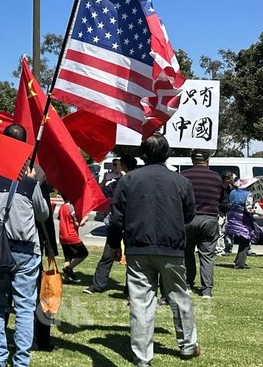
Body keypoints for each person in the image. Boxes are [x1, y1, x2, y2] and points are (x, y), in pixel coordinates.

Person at [107, 134, 199, 366]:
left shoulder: (127, 181)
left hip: (138, 248)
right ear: (167, 153)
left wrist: (114, 245)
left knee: (141, 302)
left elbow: (116, 218)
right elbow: (189, 216)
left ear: (142, 155)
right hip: (172, 247)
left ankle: (142, 357)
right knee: (180, 297)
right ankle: (188, 346)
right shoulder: (181, 182)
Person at [0, 123, 50, 367]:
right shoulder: (29, 181)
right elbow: (43, 215)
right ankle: (21, 361)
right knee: (24, 308)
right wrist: (32, 186)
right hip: (25, 252)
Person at [83, 154, 137, 295]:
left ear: (124, 166)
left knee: (130, 258)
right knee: (108, 255)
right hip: (120, 223)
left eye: (116, 165)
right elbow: (99, 194)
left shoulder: (131, 181)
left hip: (128, 223)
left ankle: (128, 288)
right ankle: (97, 285)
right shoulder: (114, 183)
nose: (113, 167)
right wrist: (105, 180)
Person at [180, 149, 223, 298]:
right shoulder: (217, 177)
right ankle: (206, 290)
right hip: (210, 219)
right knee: (207, 256)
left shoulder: (184, 176)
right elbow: (221, 199)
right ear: (208, 160)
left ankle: (188, 284)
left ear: (192, 160)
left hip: (188, 219)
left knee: (187, 253)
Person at [226, 177, 261, 269]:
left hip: (233, 218)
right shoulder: (249, 195)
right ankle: (240, 264)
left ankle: (238, 260)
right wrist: (257, 212)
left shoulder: (233, 192)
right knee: (245, 240)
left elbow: (229, 204)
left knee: (242, 240)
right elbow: (248, 209)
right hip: (244, 219)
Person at [58, 194, 89, 284]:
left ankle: (66, 278)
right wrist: (85, 218)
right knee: (84, 253)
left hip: (62, 236)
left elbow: (60, 218)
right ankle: (69, 268)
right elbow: (77, 224)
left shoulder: (62, 207)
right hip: (72, 236)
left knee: (68, 257)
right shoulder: (71, 208)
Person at [218, 171, 235, 256]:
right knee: (220, 232)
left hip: (227, 211)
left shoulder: (230, 187)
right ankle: (219, 250)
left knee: (226, 231)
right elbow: (217, 201)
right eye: (231, 178)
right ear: (226, 179)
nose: (232, 179)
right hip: (220, 212)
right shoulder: (220, 188)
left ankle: (227, 248)